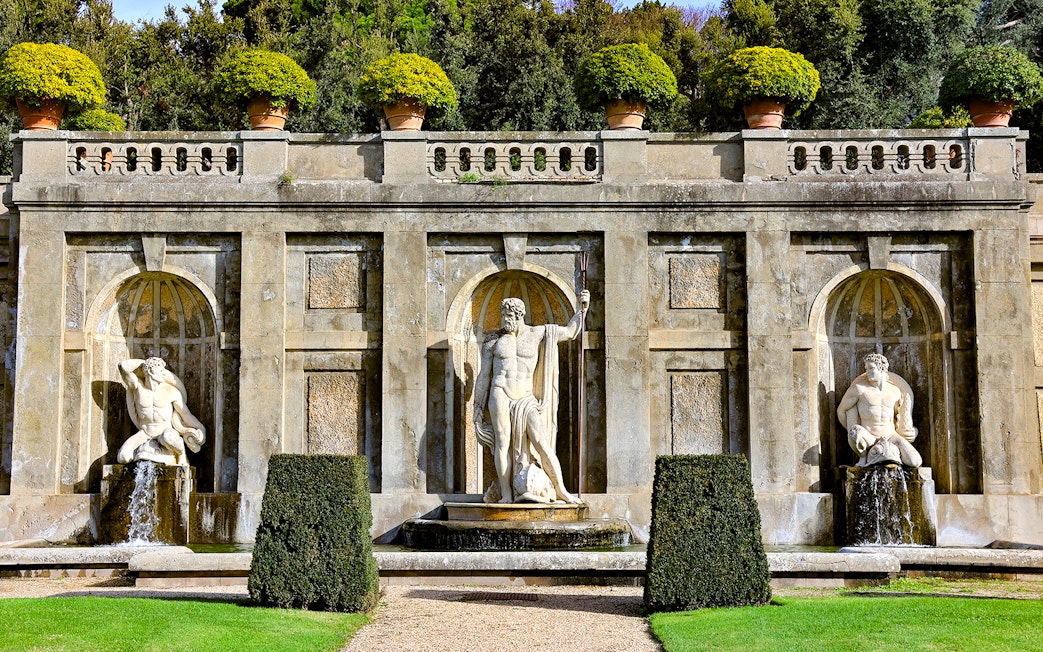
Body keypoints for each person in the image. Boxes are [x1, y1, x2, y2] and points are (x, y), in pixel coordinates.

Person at [473, 290, 589, 504]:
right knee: (502, 443)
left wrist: (582, 310)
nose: (504, 321)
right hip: (500, 392)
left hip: (526, 398)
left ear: (520, 316)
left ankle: (561, 490)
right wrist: (477, 407)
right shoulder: (493, 341)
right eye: (502, 315)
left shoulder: (538, 333)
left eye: (508, 316)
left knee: (542, 442)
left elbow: (571, 332)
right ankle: (507, 494)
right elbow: (483, 375)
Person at [116, 357, 206, 467]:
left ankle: (182, 454)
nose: (165, 374)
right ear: (150, 371)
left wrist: (200, 428)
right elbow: (123, 366)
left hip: (165, 432)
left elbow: (186, 415)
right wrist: (145, 364)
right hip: (144, 433)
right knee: (123, 457)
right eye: (161, 370)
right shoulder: (138, 388)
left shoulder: (171, 391)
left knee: (168, 438)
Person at [836, 353, 922, 467]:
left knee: (915, 462)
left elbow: (900, 417)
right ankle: (863, 458)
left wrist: (912, 431)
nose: (868, 372)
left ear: (882, 368)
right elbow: (841, 411)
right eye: (866, 369)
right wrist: (853, 429)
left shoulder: (895, 391)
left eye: (871, 368)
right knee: (854, 433)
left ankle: (889, 454)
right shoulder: (859, 389)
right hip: (869, 438)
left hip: (891, 436)